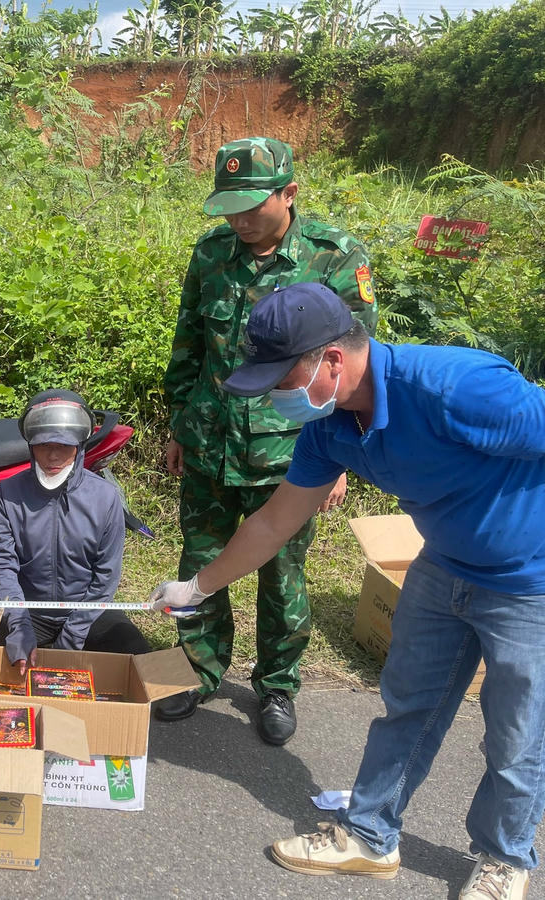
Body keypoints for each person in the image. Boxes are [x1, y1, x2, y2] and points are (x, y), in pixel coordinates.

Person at [149, 282, 545, 899]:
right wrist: (196, 587)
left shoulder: (458, 388)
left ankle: (505, 859)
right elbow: (275, 523)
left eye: (282, 379)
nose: (278, 396)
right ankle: (368, 836)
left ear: (332, 360)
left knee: (516, 731)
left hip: (530, 583)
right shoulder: (329, 427)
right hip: (442, 567)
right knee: (408, 707)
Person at [157, 136, 378, 745]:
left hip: (292, 454)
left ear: (289, 193)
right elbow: (189, 345)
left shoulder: (335, 258)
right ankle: (196, 672)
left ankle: (277, 685)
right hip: (210, 441)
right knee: (202, 560)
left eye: (253, 205)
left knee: (282, 571)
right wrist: (181, 423)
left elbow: (353, 373)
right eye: (229, 207)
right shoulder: (211, 253)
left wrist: (338, 462)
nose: (240, 219)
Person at [0, 390, 151, 674]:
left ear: (80, 444)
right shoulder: (8, 492)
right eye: (43, 445)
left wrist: (74, 634)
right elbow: (2, 563)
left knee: (143, 663)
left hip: (86, 612)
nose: (52, 456)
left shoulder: (105, 497)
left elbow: (106, 576)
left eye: (63, 446)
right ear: (30, 445)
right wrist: (19, 622)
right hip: (28, 611)